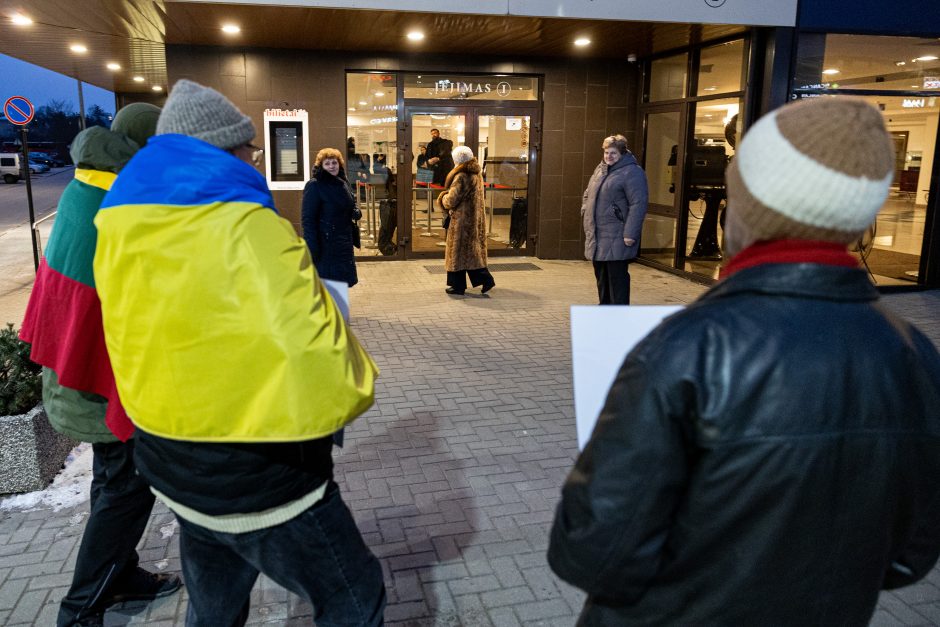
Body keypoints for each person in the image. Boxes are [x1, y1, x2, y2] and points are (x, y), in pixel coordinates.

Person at [548, 97, 940, 625]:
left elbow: (592, 551)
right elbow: (909, 557)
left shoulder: (685, 348)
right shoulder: (916, 355)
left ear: (752, 205)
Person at [92, 79, 385, 626]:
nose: (253, 158)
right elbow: (317, 347)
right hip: (262, 475)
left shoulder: (118, 223)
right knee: (355, 596)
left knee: (214, 609)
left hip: (169, 461)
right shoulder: (249, 225)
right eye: (248, 148)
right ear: (224, 150)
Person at [18, 103, 182, 627]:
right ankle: (81, 607)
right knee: (125, 491)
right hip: (102, 379)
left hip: (80, 369)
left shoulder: (90, 186)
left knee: (113, 484)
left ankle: (123, 573)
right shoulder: (120, 203)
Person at [581, 134, 648, 305]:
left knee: (617, 278)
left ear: (622, 153)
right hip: (598, 233)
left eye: (613, 153)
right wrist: (585, 212)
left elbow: (638, 204)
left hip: (618, 234)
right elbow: (588, 194)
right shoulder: (601, 169)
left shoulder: (632, 172)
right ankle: (604, 310)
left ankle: (619, 314)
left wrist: (630, 233)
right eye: (606, 153)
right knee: (601, 275)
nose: (608, 157)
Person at [435, 145, 494, 295]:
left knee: (457, 253)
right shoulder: (476, 174)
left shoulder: (462, 176)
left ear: (457, 160)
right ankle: (483, 280)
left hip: (461, 221)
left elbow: (451, 200)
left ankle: (459, 285)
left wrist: (442, 197)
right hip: (474, 219)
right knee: (471, 253)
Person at [302, 147, 362, 287]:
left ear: (339, 164)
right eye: (327, 163)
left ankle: (337, 308)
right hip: (326, 245)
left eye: (334, 163)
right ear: (321, 166)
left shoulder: (343, 182)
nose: (331, 166)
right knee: (329, 286)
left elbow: (351, 204)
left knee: (340, 286)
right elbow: (308, 220)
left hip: (343, 243)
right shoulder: (315, 185)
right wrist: (312, 248)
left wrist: (355, 211)